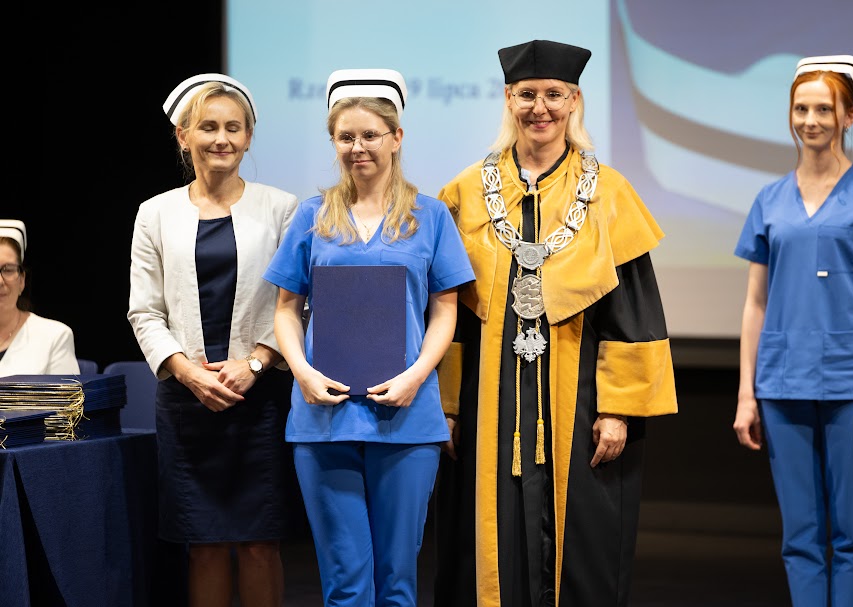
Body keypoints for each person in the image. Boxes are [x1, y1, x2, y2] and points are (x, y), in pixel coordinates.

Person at [432, 40, 679, 607]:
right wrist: (446, 406)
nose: (539, 107)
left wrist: (618, 410)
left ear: (574, 101)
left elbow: (634, 310)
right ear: (508, 99)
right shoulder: (465, 193)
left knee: (584, 544)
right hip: (487, 399)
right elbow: (449, 312)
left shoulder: (610, 193)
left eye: (553, 95)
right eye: (527, 95)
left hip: (583, 400)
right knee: (484, 538)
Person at [264, 68, 475, 607]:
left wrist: (415, 378)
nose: (357, 147)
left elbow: (445, 311)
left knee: (398, 582)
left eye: (370, 135)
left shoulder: (430, 216)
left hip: (406, 418)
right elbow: (285, 310)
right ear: (333, 142)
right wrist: (303, 374)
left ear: (396, 137)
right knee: (345, 583)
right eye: (345, 137)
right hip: (324, 418)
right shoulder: (312, 216)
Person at [733, 56, 853, 607]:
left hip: (851, 382)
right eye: (801, 109)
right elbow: (755, 303)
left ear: (848, 116)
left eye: (823, 109)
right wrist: (745, 394)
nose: (810, 120)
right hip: (781, 382)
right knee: (800, 536)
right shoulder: (769, 200)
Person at [127, 73, 301, 607]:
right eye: (208, 127)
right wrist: (187, 373)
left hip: (260, 396)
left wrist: (256, 363)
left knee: (259, 545)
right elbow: (144, 311)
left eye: (233, 128)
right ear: (183, 136)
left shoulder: (283, 208)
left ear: (248, 137)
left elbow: (298, 302)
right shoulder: (154, 213)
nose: (221, 138)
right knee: (203, 546)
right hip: (187, 399)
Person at [0, 219, 79, 375]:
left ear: (21, 281)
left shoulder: (55, 337)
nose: (0, 282)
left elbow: (67, 392)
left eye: (8, 269)